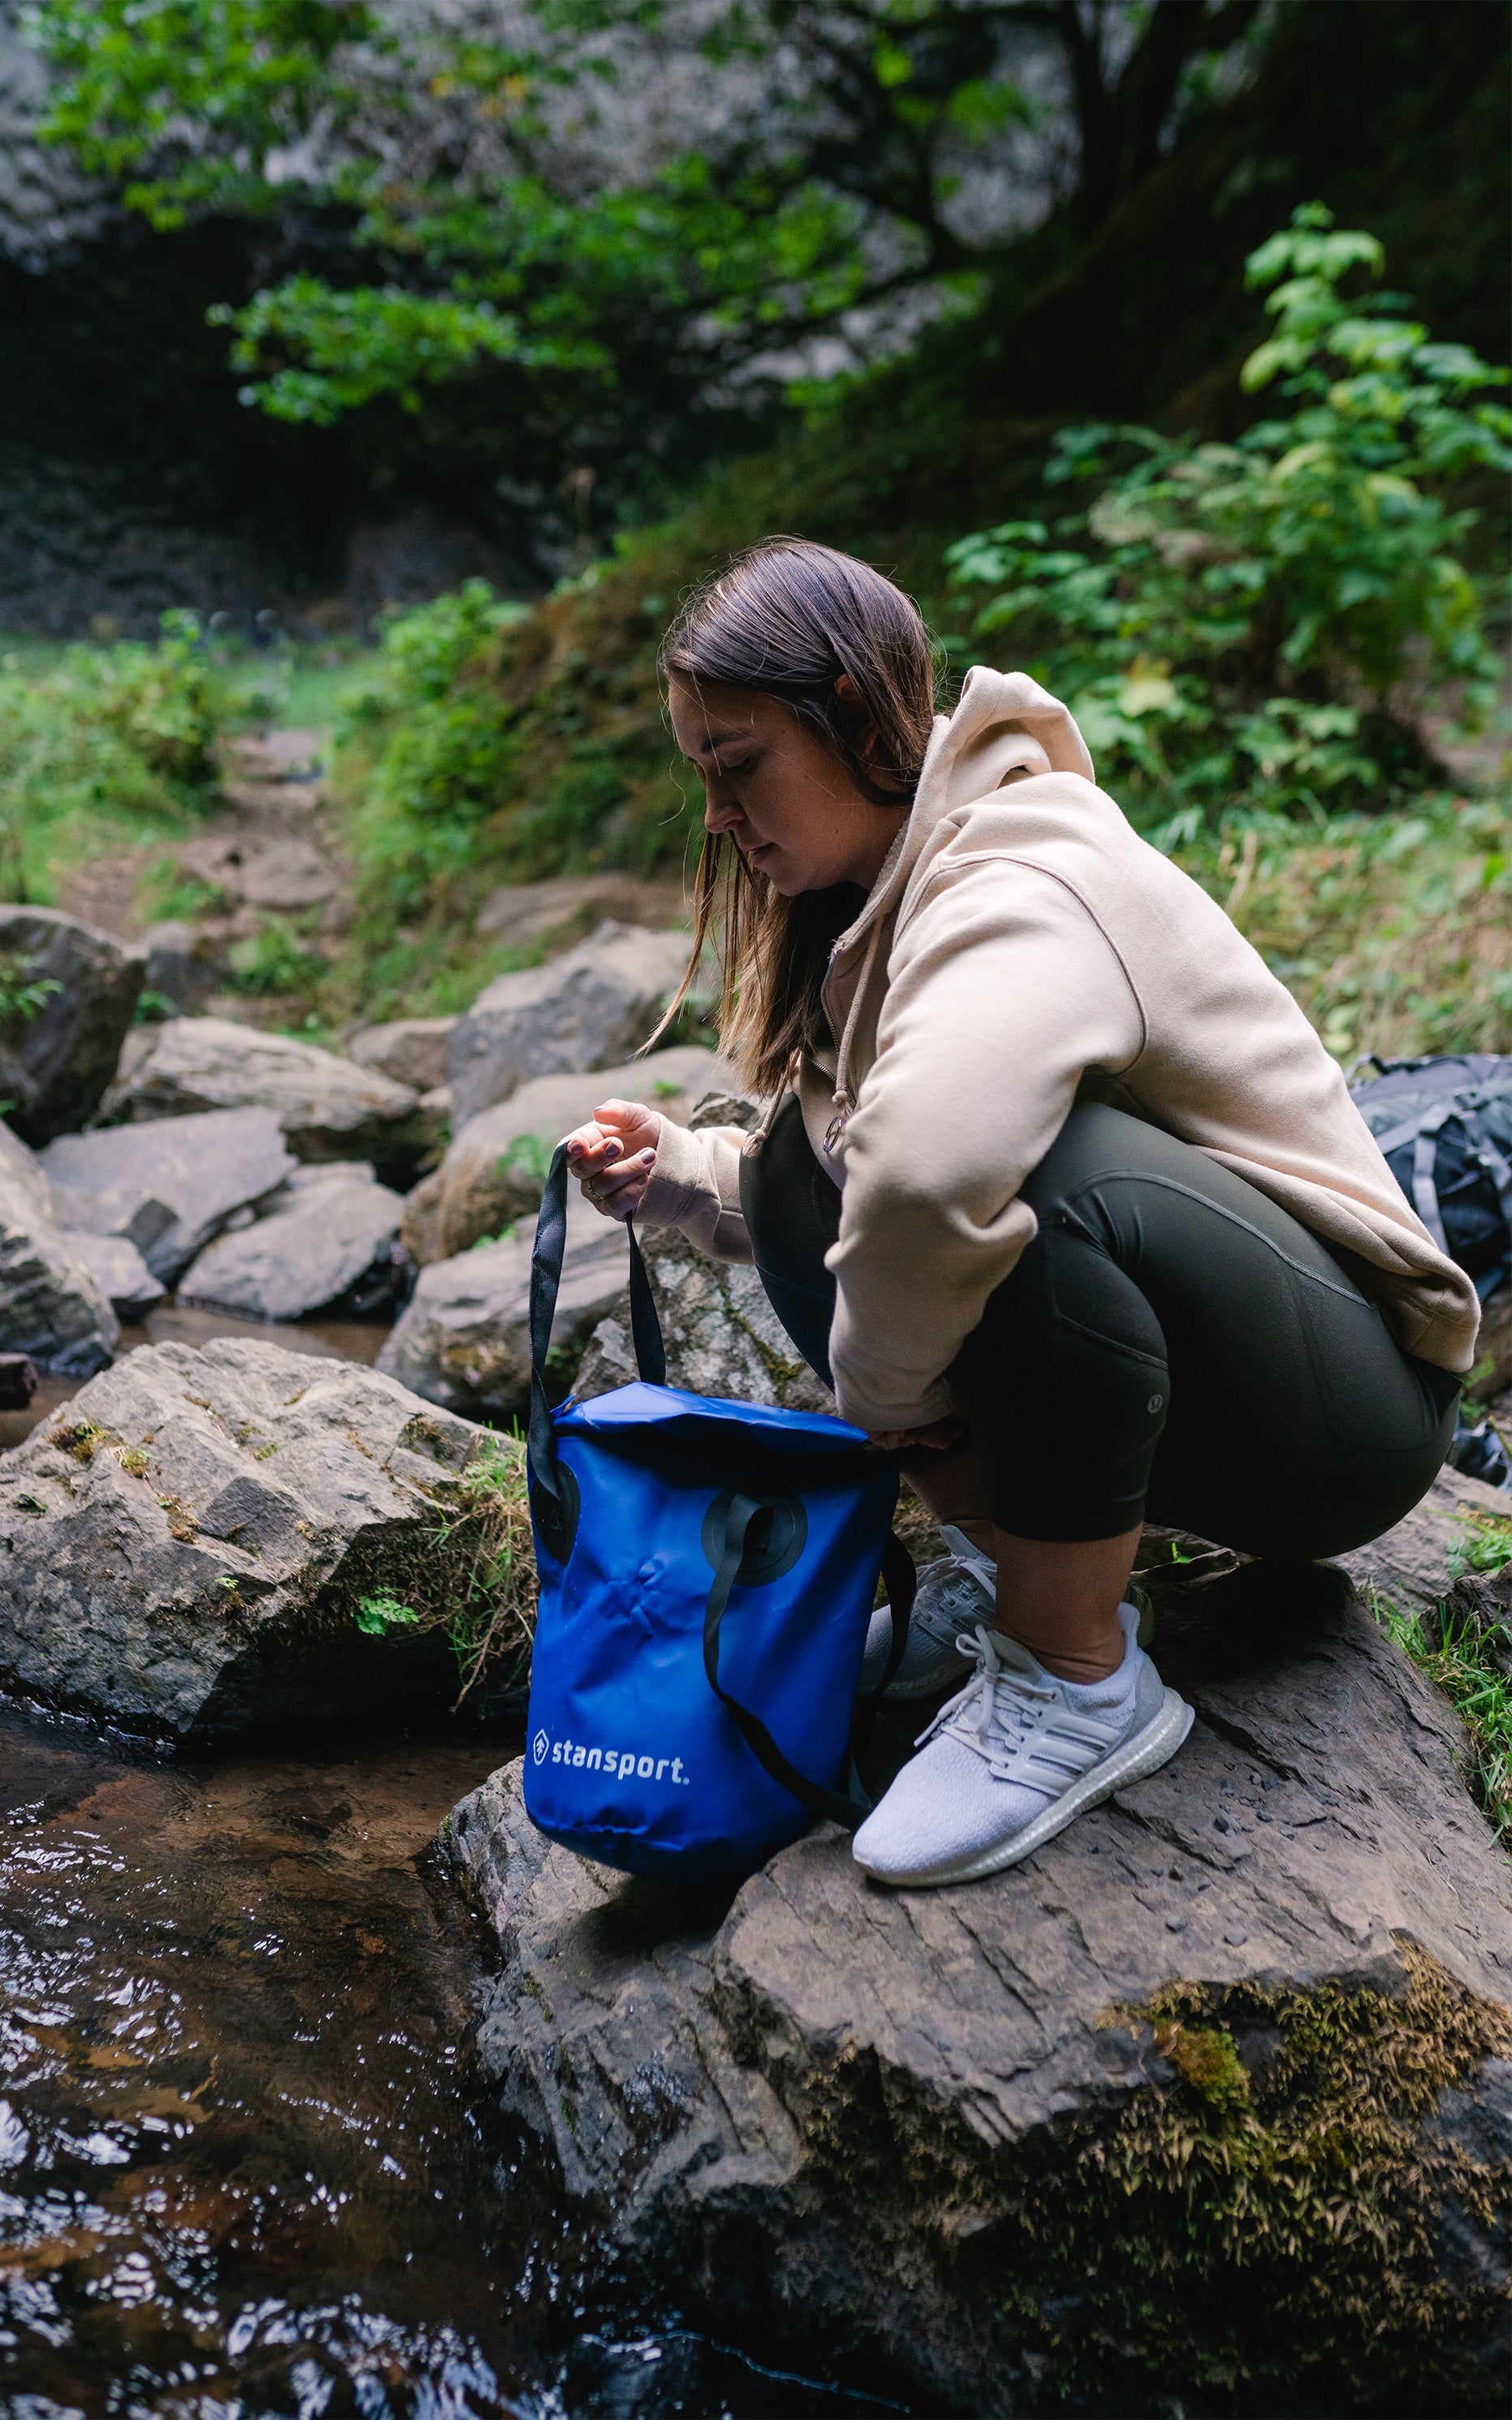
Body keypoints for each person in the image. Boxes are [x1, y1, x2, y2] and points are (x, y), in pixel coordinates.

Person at [564, 536, 1477, 1889]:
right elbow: (851, 1169)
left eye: (737, 763)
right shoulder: (885, 893)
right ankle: (1012, 1584)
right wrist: (699, 1179)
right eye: (701, 773)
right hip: (1209, 1400)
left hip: (1344, 1425)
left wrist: (882, 1402)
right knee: (808, 1166)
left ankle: (1076, 1674)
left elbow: (935, 1176)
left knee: (1026, 1179)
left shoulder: (1022, 873)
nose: (717, 815)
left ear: (852, 713)